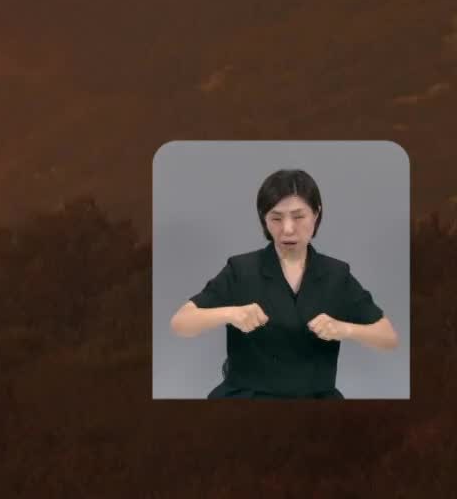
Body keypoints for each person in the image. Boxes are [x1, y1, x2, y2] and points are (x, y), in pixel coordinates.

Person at [168, 168, 399, 398]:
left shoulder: (336, 274)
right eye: (276, 218)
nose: (287, 229)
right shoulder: (241, 269)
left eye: (299, 217)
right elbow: (181, 323)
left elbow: (388, 337)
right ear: (264, 219)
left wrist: (345, 329)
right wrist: (230, 314)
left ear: (316, 214)